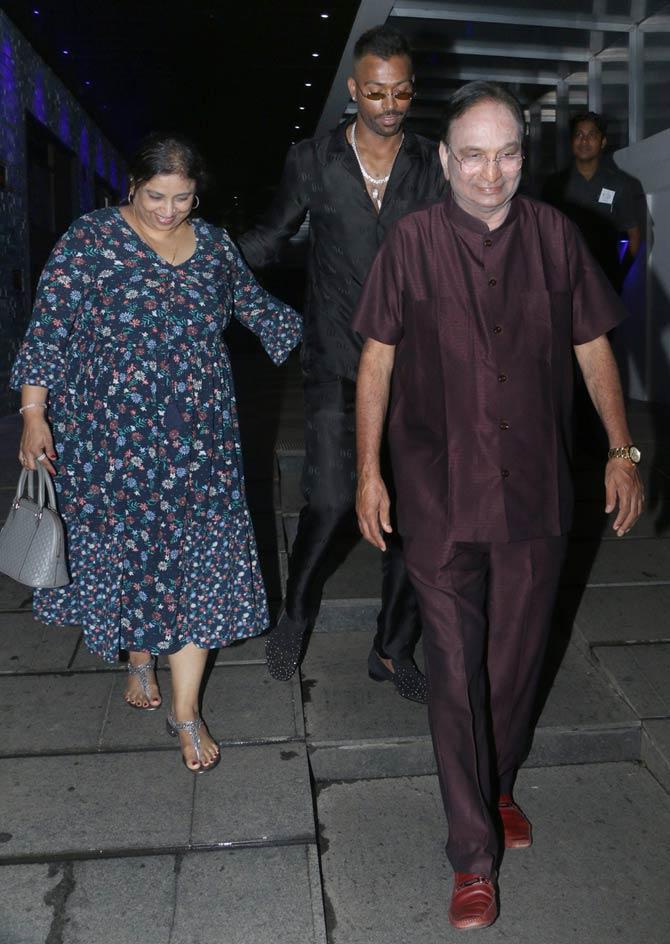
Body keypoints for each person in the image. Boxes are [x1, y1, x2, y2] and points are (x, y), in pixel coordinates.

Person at [353, 83, 643, 929]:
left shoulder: (557, 237)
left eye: (508, 152)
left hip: (536, 493)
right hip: (439, 496)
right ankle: (471, 853)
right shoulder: (409, 243)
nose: (491, 171)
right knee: (454, 676)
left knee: (515, 668)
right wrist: (368, 471)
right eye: (473, 154)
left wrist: (622, 451)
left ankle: (499, 778)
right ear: (444, 159)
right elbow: (376, 360)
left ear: (527, 156)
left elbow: (593, 344)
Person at [11, 133, 301, 774]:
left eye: (183, 198)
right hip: (110, 442)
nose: (169, 210)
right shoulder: (90, 240)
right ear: (132, 188)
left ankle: (186, 710)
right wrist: (34, 414)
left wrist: (350, 331)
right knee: (137, 562)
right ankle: (140, 658)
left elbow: (258, 310)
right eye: (155, 196)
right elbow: (49, 327)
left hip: (202, 445)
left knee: (194, 569)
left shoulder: (217, 247)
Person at [238, 25, 446, 701]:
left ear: (413, 89)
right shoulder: (313, 159)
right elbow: (268, 239)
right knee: (329, 500)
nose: (389, 105)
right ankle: (295, 615)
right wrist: (192, 254)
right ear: (354, 90)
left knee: (420, 516)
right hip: (336, 357)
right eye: (376, 92)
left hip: (418, 366)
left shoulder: (433, 163)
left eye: (401, 92)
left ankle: (391, 649)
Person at [543, 111, 642, 292]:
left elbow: (634, 235)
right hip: (563, 282)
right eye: (579, 135)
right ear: (572, 142)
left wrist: (620, 275)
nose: (584, 141)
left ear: (603, 142)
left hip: (605, 283)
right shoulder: (554, 185)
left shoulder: (620, 184)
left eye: (592, 135)